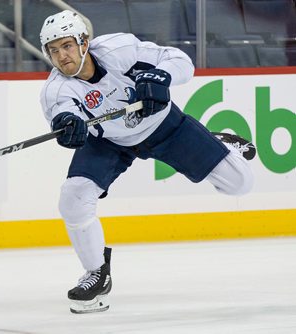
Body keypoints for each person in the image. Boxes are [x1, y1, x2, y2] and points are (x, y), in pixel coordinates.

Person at [38, 10, 256, 314]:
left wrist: (160, 75)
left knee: (240, 183)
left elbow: (181, 62)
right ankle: (96, 274)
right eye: (54, 50)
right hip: (110, 142)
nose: (62, 56)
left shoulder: (118, 49)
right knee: (73, 198)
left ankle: (216, 142)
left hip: (166, 127)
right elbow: (63, 114)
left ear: (84, 42)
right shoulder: (56, 89)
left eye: (67, 45)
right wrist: (68, 127)